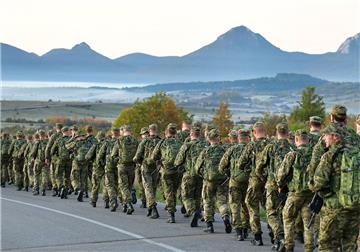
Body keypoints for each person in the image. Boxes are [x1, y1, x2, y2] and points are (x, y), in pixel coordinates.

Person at [312, 125, 360, 251]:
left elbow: (317, 183)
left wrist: (310, 184)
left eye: (326, 135)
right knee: (350, 245)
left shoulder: (330, 155)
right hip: (354, 207)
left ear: (335, 137)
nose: (324, 139)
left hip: (334, 210)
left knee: (327, 246)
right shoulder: (356, 153)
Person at [256, 122, 294, 251]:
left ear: (276, 133)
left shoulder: (270, 147)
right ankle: (286, 241)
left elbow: (259, 167)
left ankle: (280, 237)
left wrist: (264, 178)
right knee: (285, 214)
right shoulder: (292, 147)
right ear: (288, 133)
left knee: (271, 213)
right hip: (289, 186)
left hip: (272, 185)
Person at [277, 129, 314, 252]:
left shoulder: (292, 154)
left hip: (295, 194)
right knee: (308, 224)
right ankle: (309, 248)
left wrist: (280, 185)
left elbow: (281, 173)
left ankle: (289, 246)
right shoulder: (314, 155)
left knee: (288, 218)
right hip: (310, 194)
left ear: (296, 140)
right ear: (308, 140)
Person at [237, 122, 271, 245]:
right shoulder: (272, 144)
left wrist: (247, 167)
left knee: (252, 206)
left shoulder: (252, 145)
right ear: (264, 131)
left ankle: (257, 236)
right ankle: (273, 232)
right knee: (270, 207)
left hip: (255, 180)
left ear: (254, 132)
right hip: (269, 181)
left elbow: (240, 163)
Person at [195, 128, 232, 234]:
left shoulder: (205, 151)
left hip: (209, 181)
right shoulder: (225, 150)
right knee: (222, 201)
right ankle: (225, 217)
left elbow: (197, 167)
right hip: (222, 180)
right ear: (218, 138)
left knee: (207, 201)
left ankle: (209, 225)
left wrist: (203, 175)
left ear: (209, 139)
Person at [219, 129, 251, 241]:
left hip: (235, 182)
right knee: (246, 205)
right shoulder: (253, 149)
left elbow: (221, 166)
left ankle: (238, 231)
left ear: (238, 138)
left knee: (235, 206)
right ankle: (246, 228)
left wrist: (229, 173)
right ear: (248, 138)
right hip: (249, 182)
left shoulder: (232, 149)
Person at [174, 125, 207, 227]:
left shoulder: (186, 146)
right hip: (201, 175)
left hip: (189, 174)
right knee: (197, 196)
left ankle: (193, 212)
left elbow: (177, 161)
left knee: (186, 196)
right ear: (199, 135)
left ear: (190, 134)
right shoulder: (205, 145)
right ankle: (197, 212)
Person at [151, 123, 182, 223]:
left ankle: (171, 214)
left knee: (168, 192)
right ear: (175, 132)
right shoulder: (180, 142)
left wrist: (159, 160)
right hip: (177, 171)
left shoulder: (162, 142)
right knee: (173, 191)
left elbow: (153, 156)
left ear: (166, 132)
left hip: (166, 170)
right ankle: (172, 206)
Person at [133, 124, 162, 219]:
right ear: (156, 130)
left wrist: (140, 162)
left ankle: (153, 208)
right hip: (156, 168)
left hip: (146, 168)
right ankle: (150, 207)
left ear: (149, 131)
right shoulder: (161, 141)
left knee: (148, 188)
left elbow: (137, 157)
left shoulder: (145, 141)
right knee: (153, 188)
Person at [111, 125, 138, 215]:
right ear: (130, 131)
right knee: (129, 186)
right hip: (132, 167)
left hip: (122, 166)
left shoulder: (119, 141)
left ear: (124, 131)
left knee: (123, 186)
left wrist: (116, 160)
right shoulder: (135, 141)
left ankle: (129, 203)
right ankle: (125, 204)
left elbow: (113, 155)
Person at [51, 126, 72, 199]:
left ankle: (61, 187)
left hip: (60, 159)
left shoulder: (58, 140)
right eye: (69, 130)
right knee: (67, 176)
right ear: (66, 131)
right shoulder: (71, 140)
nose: (70, 132)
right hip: (69, 160)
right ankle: (65, 191)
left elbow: (52, 150)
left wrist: (54, 156)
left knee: (58, 175)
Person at [104, 128, 121, 211]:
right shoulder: (121, 142)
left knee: (110, 185)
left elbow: (100, 154)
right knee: (117, 184)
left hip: (109, 166)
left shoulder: (107, 142)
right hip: (119, 166)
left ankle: (113, 201)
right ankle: (123, 202)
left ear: (112, 133)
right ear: (119, 134)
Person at [45, 123, 63, 196]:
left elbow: (48, 147)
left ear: (56, 128)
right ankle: (61, 187)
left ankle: (55, 188)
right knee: (61, 174)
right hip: (65, 158)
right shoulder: (66, 135)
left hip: (55, 158)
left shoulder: (54, 136)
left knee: (53, 173)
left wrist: (47, 157)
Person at [31, 130, 49, 196]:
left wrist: (33, 158)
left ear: (39, 135)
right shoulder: (48, 142)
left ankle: (36, 190)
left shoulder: (37, 142)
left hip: (38, 161)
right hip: (46, 162)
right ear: (44, 135)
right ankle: (43, 190)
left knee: (36, 175)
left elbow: (33, 152)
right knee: (45, 176)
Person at [135, 127, 149, 208]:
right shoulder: (154, 141)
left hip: (141, 165)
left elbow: (137, 155)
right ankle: (146, 200)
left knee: (142, 184)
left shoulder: (140, 142)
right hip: (152, 167)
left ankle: (144, 201)